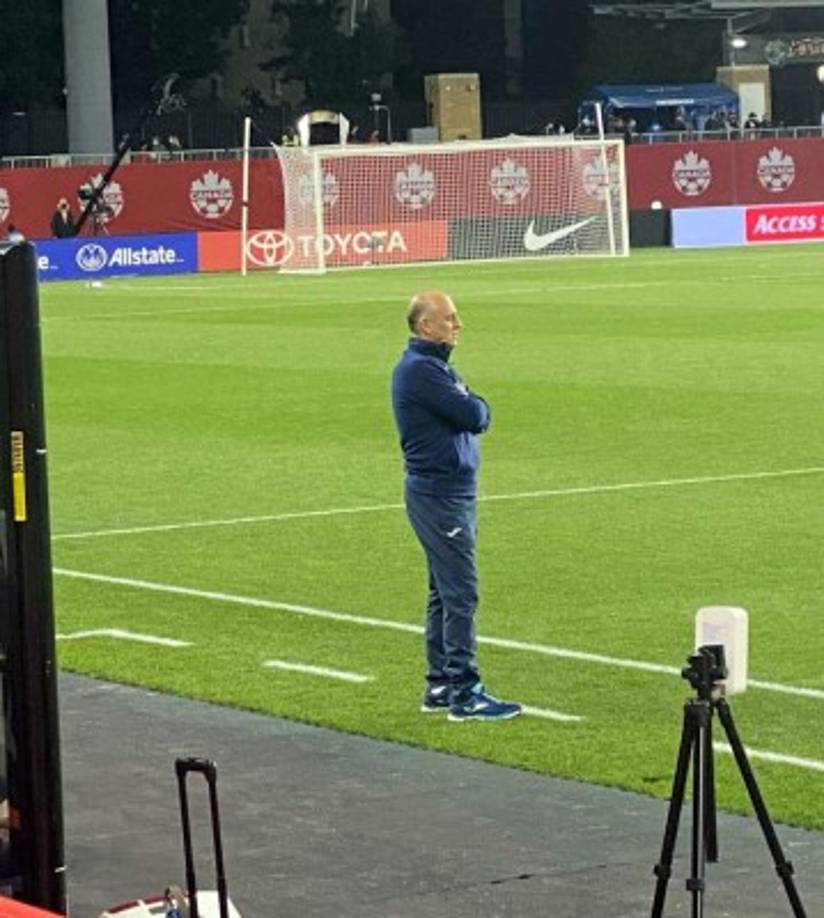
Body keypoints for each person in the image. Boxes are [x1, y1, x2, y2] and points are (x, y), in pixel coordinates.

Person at [390, 291, 522, 722]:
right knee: (460, 593)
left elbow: (472, 408)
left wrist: (470, 400)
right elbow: (476, 415)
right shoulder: (423, 372)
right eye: (449, 318)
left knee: (442, 594)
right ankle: (465, 692)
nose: (457, 324)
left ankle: (440, 684)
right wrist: (472, 401)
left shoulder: (432, 367)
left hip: (446, 492)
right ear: (425, 326)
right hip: (440, 495)